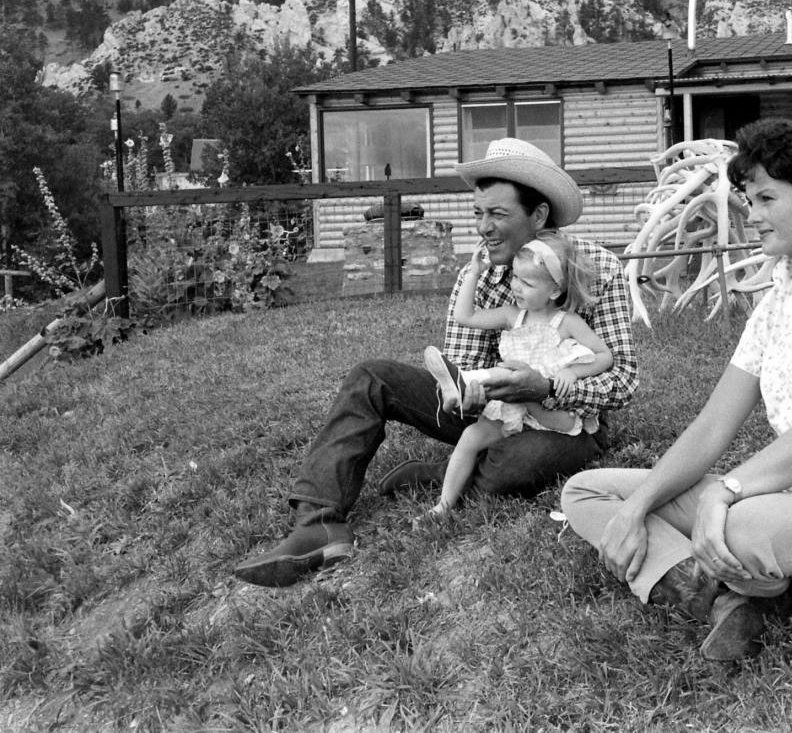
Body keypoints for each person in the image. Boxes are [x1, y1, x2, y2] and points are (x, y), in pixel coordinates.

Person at [560, 119, 792, 660]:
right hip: (786, 490)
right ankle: (717, 597)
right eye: (749, 200)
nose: (751, 215)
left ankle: (737, 572)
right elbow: (714, 425)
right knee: (591, 493)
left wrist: (724, 492)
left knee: (741, 525)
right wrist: (638, 507)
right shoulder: (776, 300)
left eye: (766, 199)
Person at [234, 138, 638, 588]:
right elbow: (461, 366)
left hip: (565, 420)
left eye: (497, 214)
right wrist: (467, 391)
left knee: (516, 465)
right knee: (371, 377)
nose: (483, 228)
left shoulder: (598, 268)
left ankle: (442, 476)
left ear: (539, 215)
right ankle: (318, 523)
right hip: (494, 408)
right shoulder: (476, 276)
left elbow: (623, 378)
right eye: (478, 213)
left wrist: (548, 388)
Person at [423, 230, 614, 517]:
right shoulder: (512, 315)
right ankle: (443, 505)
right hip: (513, 404)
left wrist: (573, 372)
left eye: (527, 283)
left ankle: (465, 381)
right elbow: (465, 316)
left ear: (554, 291)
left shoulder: (568, 322)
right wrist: (473, 273)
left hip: (548, 410)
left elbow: (605, 356)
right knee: (472, 435)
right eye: (515, 277)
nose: (516, 287)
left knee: (506, 377)